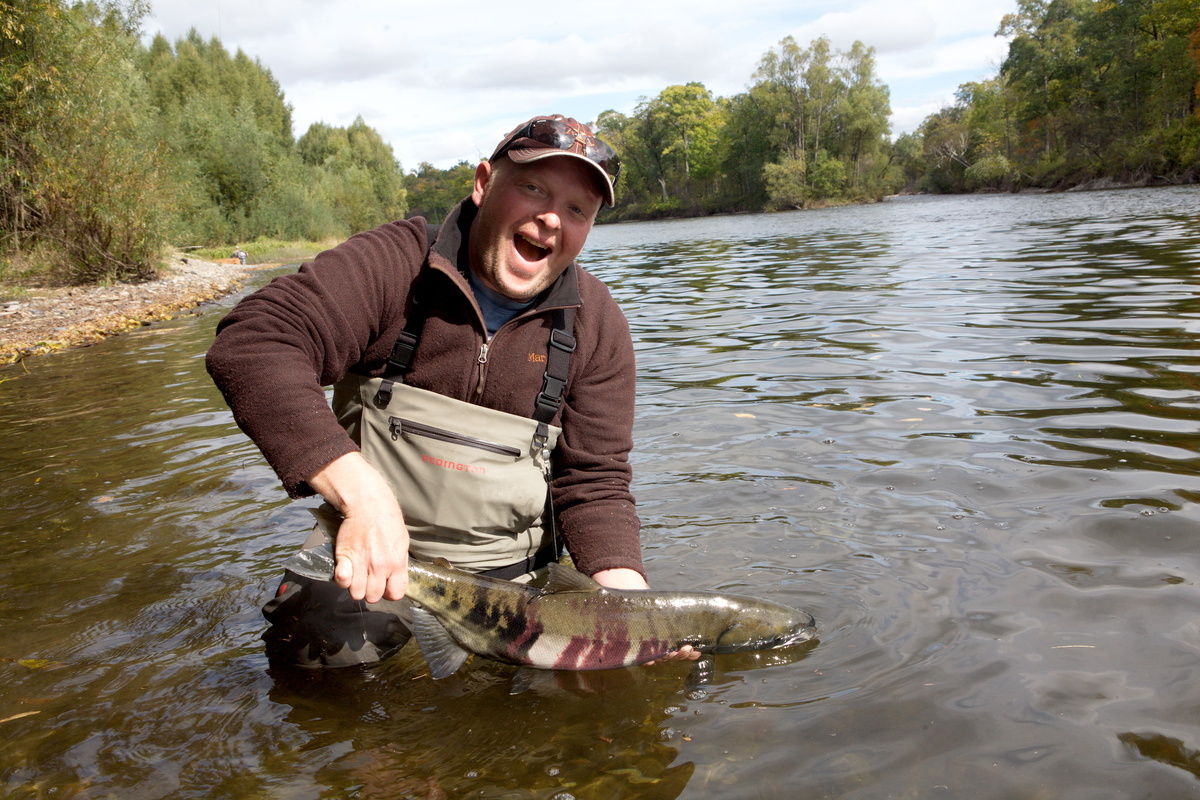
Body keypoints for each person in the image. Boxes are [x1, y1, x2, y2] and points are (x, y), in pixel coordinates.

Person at [207, 114, 697, 668]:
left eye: (577, 209)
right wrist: (360, 493)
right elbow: (254, 342)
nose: (550, 219)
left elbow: (595, 483)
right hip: (373, 560)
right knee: (323, 663)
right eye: (533, 188)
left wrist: (630, 608)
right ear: (484, 183)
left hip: (521, 589)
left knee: (587, 701)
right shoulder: (394, 265)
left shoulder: (597, 325)